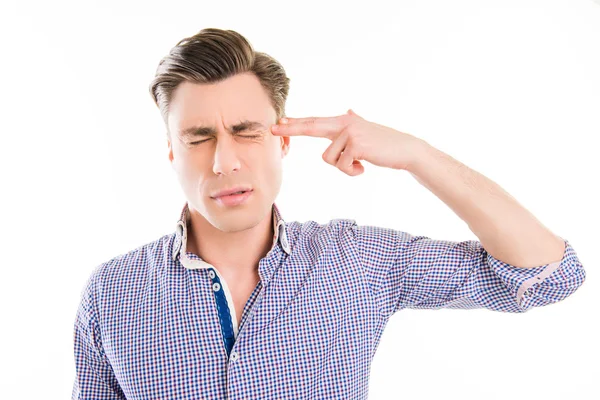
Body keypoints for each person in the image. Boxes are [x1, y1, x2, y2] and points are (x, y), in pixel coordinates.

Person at [72, 28, 586, 400]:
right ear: (172, 153)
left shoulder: (354, 260)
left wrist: (416, 154)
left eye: (247, 131)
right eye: (198, 137)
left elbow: (546, 273)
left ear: (284, 142)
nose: (224, 160)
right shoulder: (112, 292)